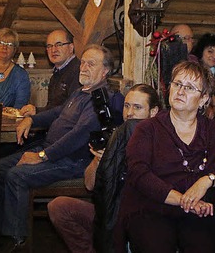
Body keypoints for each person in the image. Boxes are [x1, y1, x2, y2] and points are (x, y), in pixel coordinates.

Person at [117, 61, 215, 253]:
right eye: (177, 84)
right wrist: (183, 200)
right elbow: (139, 174)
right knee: (156, 245)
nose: (180, 91)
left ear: (204, 99)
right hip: (153, 208)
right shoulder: (147, 129)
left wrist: (206, 181)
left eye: (189, 87)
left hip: (201, 211)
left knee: (202, 243)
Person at [0, 44, 115, 249]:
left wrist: (42, 156)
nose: (83, 67)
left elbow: (77, 136)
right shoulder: (81, 91)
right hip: (52, 151)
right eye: (83, 62)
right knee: (0, 167)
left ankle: (17, 240)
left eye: (91, 64)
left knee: (17, 175)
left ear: (105, 72)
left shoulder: (100, 99)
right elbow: (58, 112)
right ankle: (3, 225)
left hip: (73, 160)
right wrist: (32, 120)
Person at [47, 84, 160, 253]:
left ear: (153, 112)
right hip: (108, 212)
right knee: (59, 207)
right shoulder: (116, 135)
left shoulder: (158, 141)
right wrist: (100, 159)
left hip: (139, 216)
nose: (129, 113)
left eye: (137, 107)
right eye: (127, 106)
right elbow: (89, 185)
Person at [20, 29, 81, 116]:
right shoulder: (57, 72)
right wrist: (35, 111)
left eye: (59, 45)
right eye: (49, 46)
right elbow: (52, 108)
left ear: (71, 47)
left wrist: (37, 112)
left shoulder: (78, 71)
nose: (53, 50)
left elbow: (70, 111)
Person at [0, 28, 31, 110]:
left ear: (15, 50)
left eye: (9, 44)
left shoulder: (21, 75)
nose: (4, 47)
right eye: (0, 43)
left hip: (9, 120)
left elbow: (20, 106)